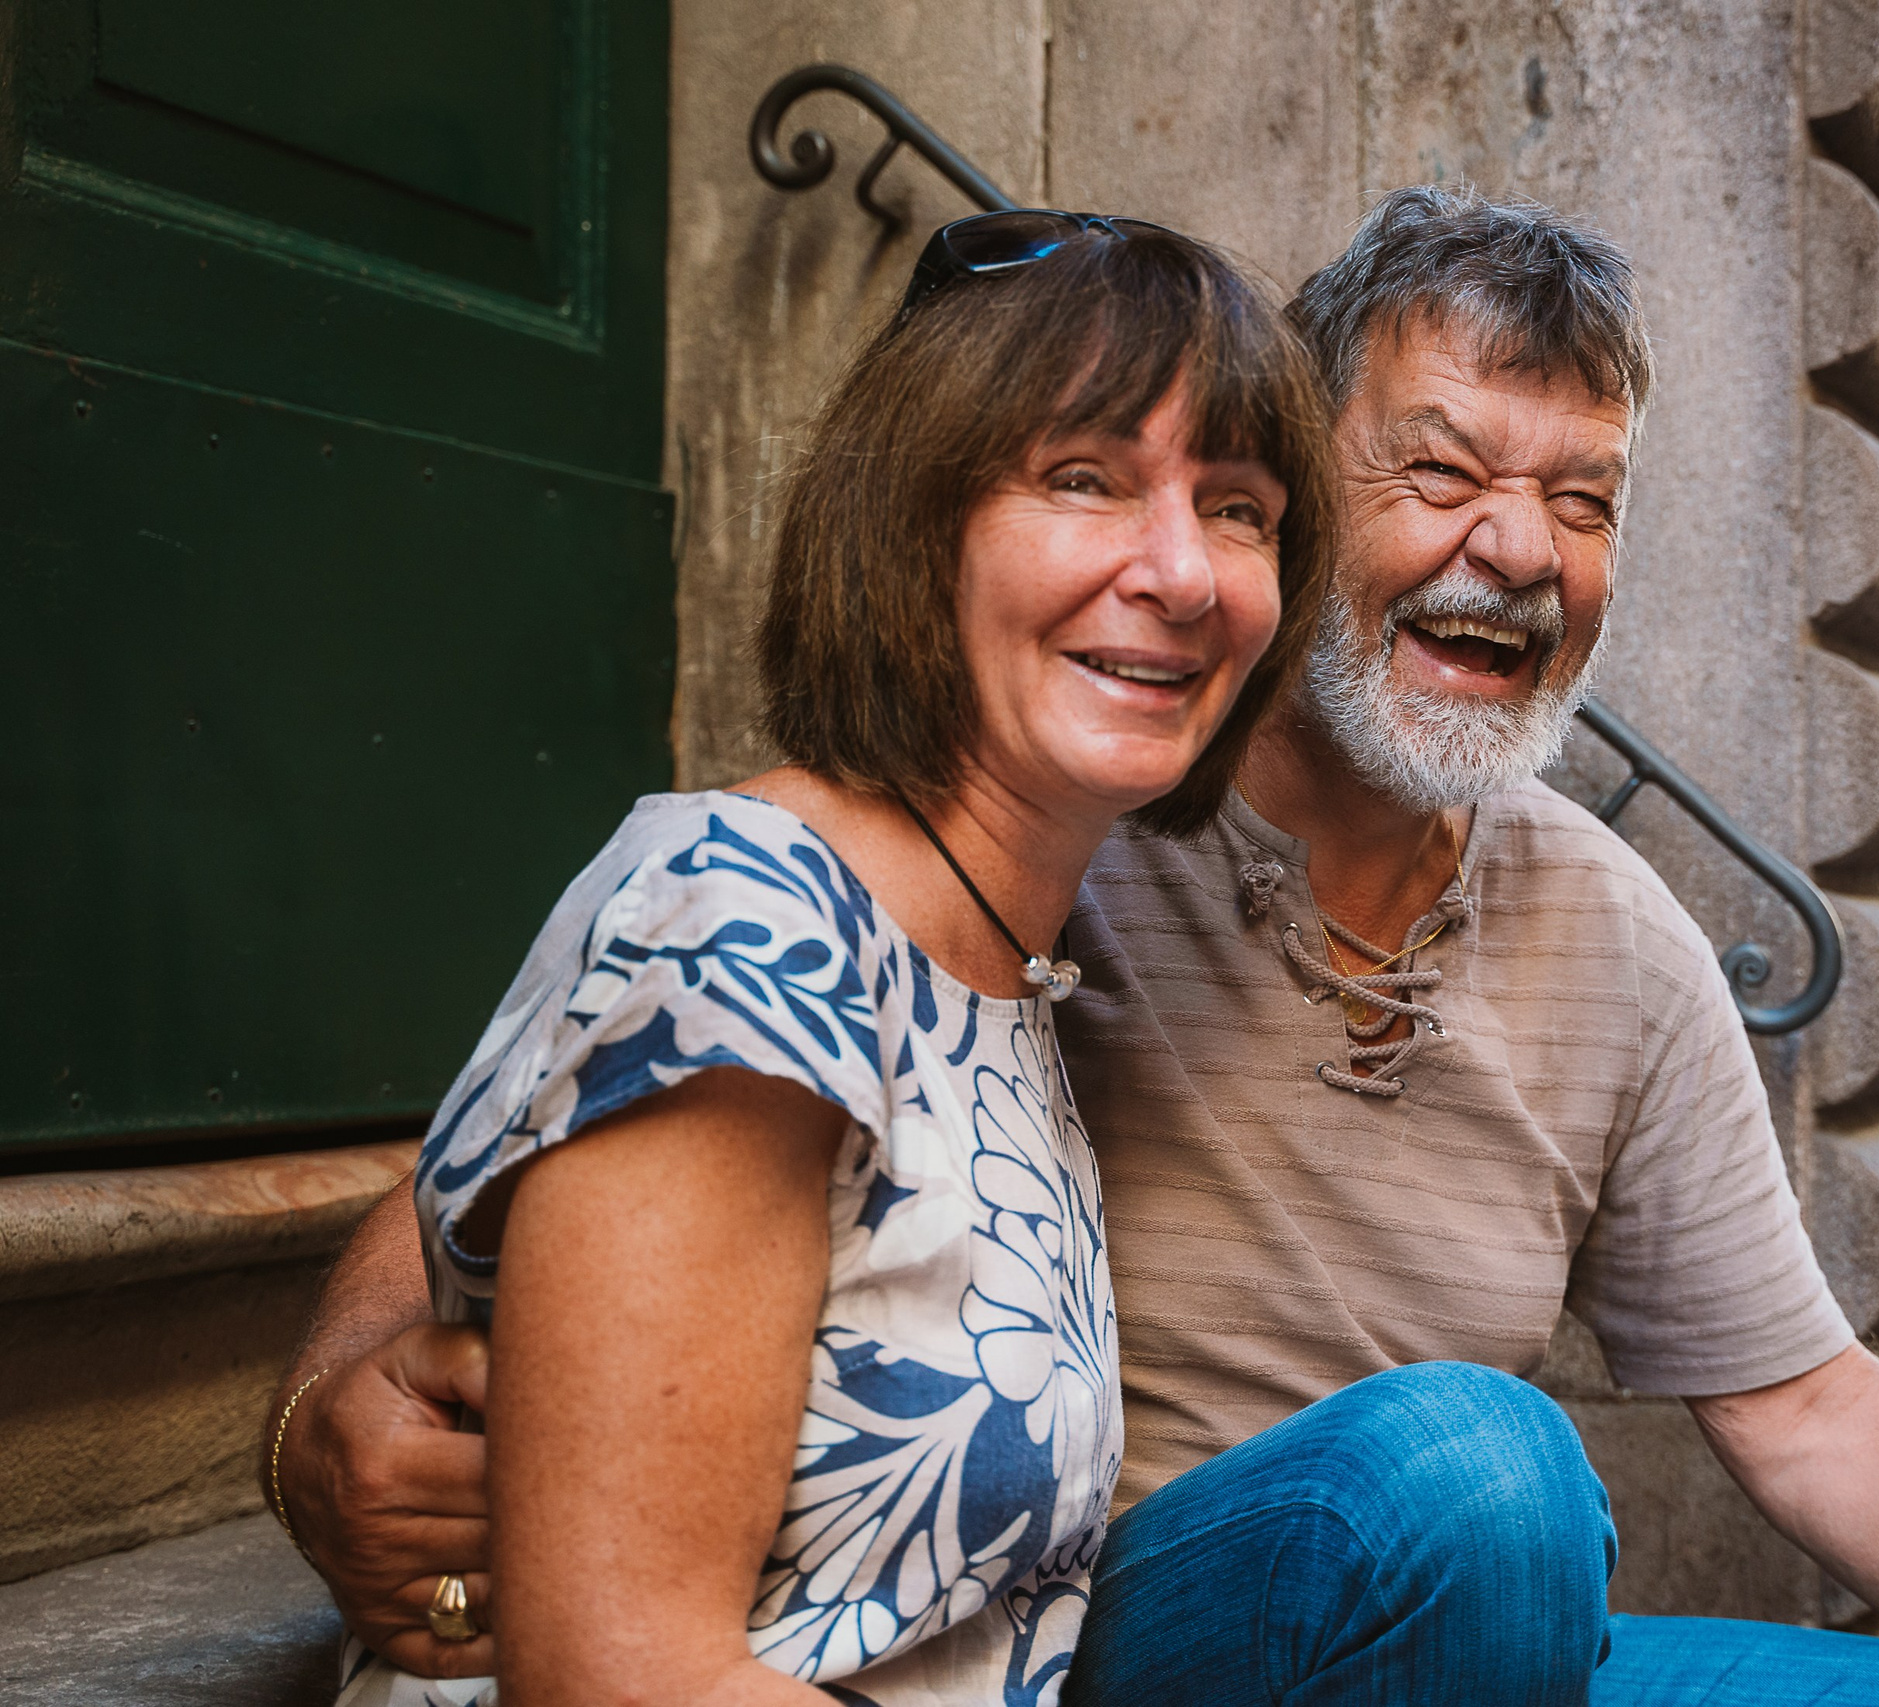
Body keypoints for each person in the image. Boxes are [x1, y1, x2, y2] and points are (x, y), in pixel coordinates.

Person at [274, 188, 1879, 1707]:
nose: (1515, 548)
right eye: (1445, 468)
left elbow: (1807, 1395)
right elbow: (593, 1093)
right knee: (1477, 1469)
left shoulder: (1556, 927)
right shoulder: (1028, 814)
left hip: (1436, 1625)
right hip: (1136, 1621)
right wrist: (332, 1396)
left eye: (1580, 498)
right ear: (1325, 490)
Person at [308, 211, 1337, 1707]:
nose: (1183, 572)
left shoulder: (1003, 948)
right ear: (915, 531)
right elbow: (627, 1678)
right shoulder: (749, 917)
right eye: (1083, 479)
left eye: (1238, 506)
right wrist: (313, 1416)